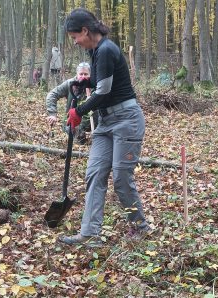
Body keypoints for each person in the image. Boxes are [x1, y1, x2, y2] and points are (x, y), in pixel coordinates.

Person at [58, 8, 151, 247]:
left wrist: (78, 112)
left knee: (120, 176)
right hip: (105, 122)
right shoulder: (96, 51)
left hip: (127, 121)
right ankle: (89, 234)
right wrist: (84, 81)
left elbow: (104, 91)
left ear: (86, 31)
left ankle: (140, 226)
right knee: (95, 173)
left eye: (75, 37)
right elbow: (99, 82)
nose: (75, 42)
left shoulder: (107, 49)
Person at [45, 62, 98, 144]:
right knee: (73, 138)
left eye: (86, 74)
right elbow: (52, 94)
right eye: (81, 74)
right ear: (77, 74)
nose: (83, 76)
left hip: (92, 120)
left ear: (90, 75)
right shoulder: (70, 83)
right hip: (73, 118)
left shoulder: (96, 85)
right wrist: (52, 113)